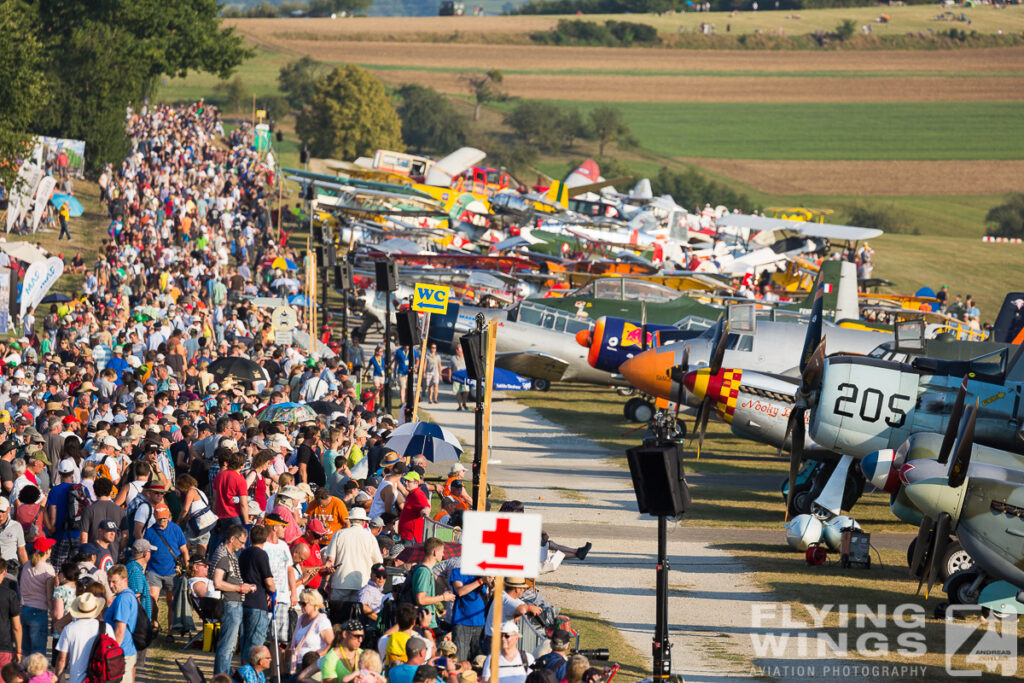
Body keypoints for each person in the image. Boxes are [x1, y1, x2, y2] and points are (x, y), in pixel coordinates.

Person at [213, 525, 257, 676]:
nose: (242, 545)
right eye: (241, 541)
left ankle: (223, 676)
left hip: (234, 603)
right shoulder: (223, 555)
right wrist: (240, 588)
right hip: (230, 603)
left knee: (229, 646)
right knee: (227, 646)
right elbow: (218, 583)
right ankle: (221, 677)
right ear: (232, 539)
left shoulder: (229, 554)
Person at [323, 507, 383, 607]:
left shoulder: (339, 534)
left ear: (350, 520)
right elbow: (378, 562)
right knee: (357, 616)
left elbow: (330, 561)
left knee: (338, 615)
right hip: (362, 582)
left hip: (339, 582)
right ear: (364, 522)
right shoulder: (370, 537)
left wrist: (327, 581)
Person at [143, 503, 188, 626]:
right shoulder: (150, 532)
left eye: (164, 518)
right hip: (154, 571)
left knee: (171, 601)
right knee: (153, 598)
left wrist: (187, 566)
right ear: (155, 518)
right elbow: (145, 552)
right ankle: (154, 624)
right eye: (159, 518)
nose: (162, 521)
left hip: (173, 571)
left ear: (168, 516)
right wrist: (143, 568)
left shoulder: (176, 529)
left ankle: (170, 630)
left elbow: (184, 550)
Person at [55, 593, 112, 683]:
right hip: (99, 678)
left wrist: (58, 678)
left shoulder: (70, 629)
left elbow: (62, 659)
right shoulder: (106, 627)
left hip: (76, 680)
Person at [239, 525, 275, 668]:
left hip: (244, 601)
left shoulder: (243, 554)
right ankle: (252, 675)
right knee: (256, 644)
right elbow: (268, 581)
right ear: (265, 538)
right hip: (258, 603)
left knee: (244, 641)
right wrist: (273, 590)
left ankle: (243, 671)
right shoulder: (261, 554)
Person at [406, 538, 454, 630]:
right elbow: (421, 599)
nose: (443, 554)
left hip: (427, 620)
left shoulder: (426, 570)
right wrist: (443, 597)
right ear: (435, 552)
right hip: (424, 622)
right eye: (442, 551)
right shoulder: (424, 572)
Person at [20, 538, 55, 657]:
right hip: (39, 612)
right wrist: (52, 611)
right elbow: (50, 594)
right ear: (47, 552)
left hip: (24, 610)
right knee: (38, 652)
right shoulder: (48, 569)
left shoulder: (26, 566)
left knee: (25, 650)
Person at [448, 563, 489, 662]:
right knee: (460, 659)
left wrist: (490, 585)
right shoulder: (458, 571)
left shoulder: (479, 574)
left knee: (479, 660)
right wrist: (481, 581)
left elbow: (485, 598)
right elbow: (460, 591)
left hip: (480, 623)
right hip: (462, 622)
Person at [105, 565, 138, 683]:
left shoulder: (123, 599)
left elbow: (120, 630)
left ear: (125, 580)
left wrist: (111, 654)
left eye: (114, 582)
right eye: (109, 582)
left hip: (122, 653)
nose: (111, 585)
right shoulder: (127, 595)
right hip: (125, 651)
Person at [289, 589, 333, 672]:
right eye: (300, 603)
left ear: (314, 604)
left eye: (304, 604)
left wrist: (316, 656)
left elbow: (331, 644)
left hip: (313, 666)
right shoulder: (301, 619)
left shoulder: (322, 621)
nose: (301, 606)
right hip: (297, 665)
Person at [0, 561, 20, 667]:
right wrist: (18, 650)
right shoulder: (10, 594)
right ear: (5, 571)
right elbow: (17, 627)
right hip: (4, 644)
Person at [0, 499, 27, 567]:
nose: (0, 514)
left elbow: (21, 550)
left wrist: (26, 569)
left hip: (10, 566)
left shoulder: (16, 526)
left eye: (3, 511)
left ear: (9, 509)